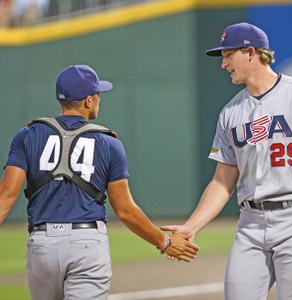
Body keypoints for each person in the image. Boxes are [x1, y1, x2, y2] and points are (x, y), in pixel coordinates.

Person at [161, 22, 292, 300]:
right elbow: (222, 180)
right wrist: (192, 226)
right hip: (251, 222)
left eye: (228, 55)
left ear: (250, 52)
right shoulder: (230, 113)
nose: (223, 64)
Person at [0, 64, 199, 300]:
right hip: (87, 245)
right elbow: (125, 210)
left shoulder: (27, 135)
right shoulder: (109, 143)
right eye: (98, 95)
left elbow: (5, 196)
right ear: (88, 101)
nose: (99, 100)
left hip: (41, 244)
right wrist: (164, 242)